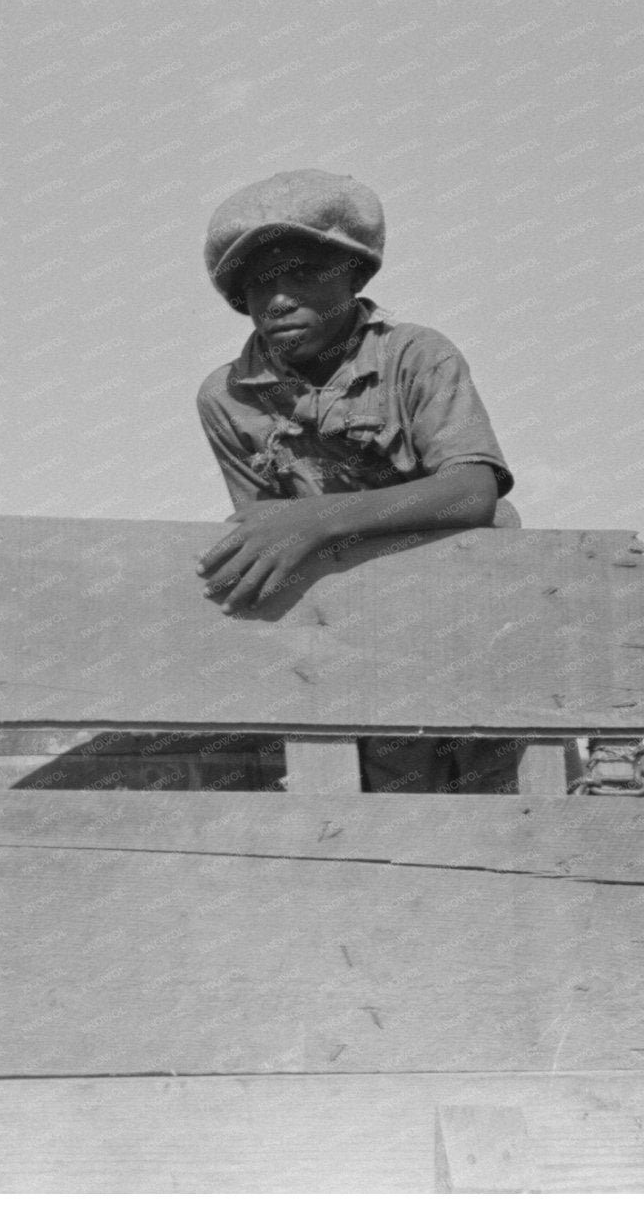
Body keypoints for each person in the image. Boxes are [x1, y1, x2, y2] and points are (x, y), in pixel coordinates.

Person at [191, 169, 522, 794]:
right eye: (258, 284)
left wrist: (317, 519)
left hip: (467, 612)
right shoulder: (228, 397)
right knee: (388, 795)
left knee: (493, 789)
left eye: (302, 275)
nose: (278, 299)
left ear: (353, 277)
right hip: (353, 635)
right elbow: (265, 536)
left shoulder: (416, 356)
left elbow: (474, 490)